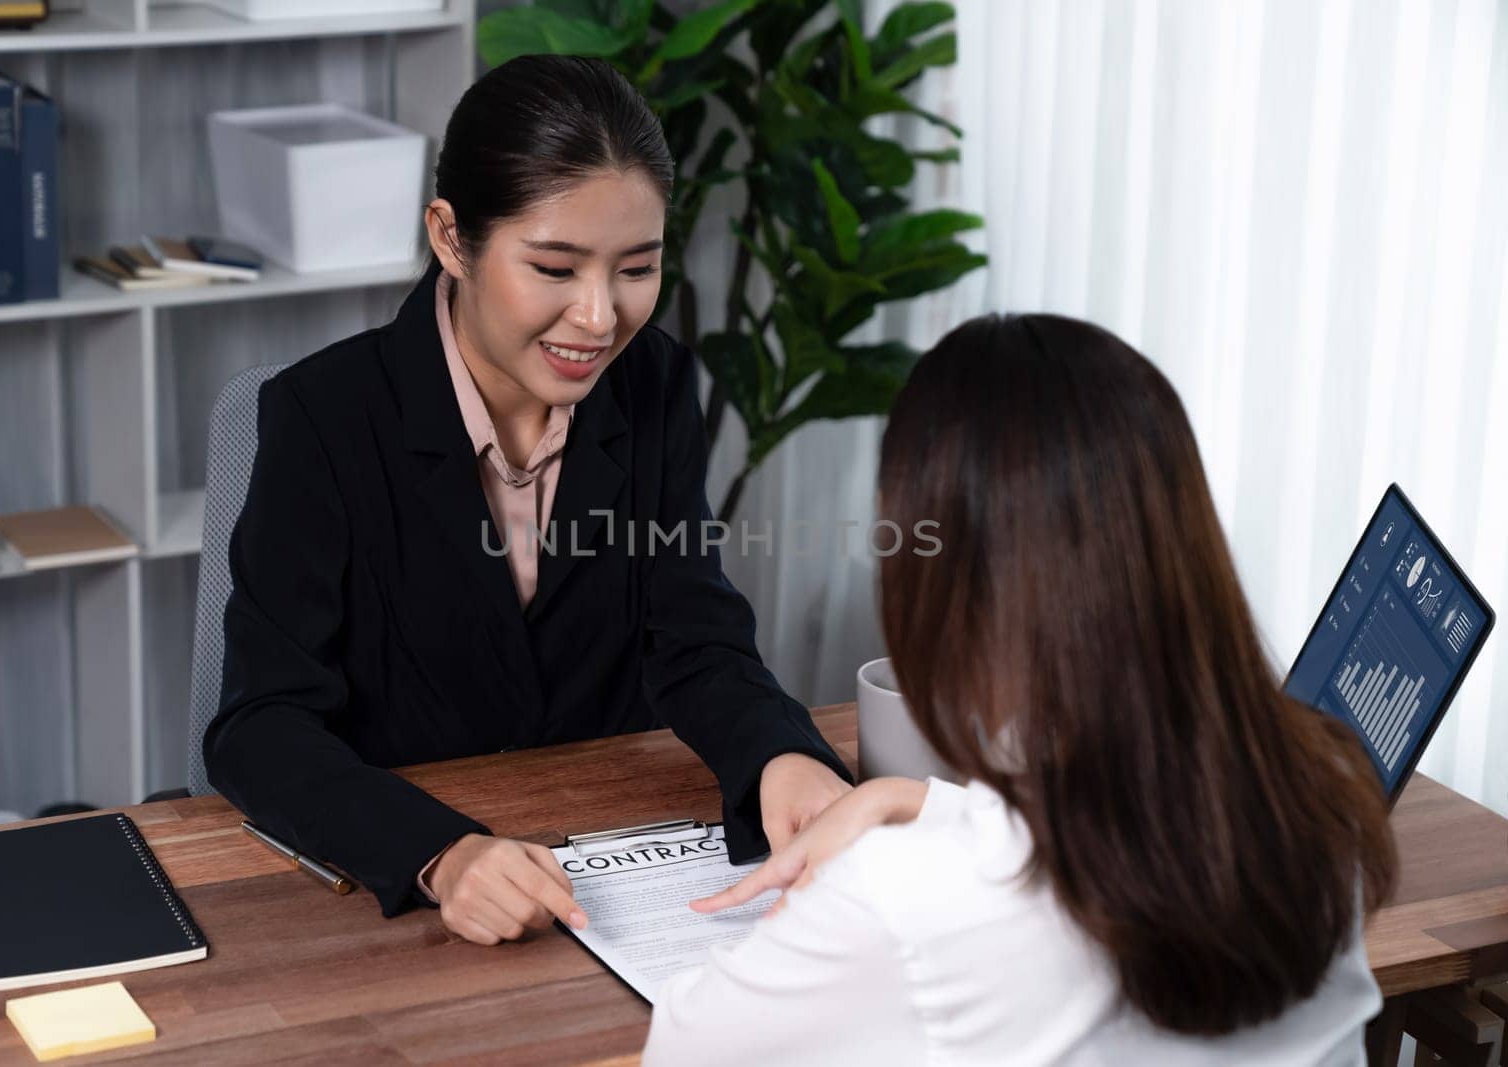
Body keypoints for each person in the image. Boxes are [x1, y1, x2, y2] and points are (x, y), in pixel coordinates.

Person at [204, 54, 851, 942]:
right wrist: (439, 853)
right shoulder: (325, 416)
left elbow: (693, 638)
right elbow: (260, 723)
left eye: (636, 269)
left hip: (615, 865)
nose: (599, 317)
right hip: (403, 892)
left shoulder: (654, 383)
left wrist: (783, 759)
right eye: (554, 267)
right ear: (449, 236)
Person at [645, 314, 1396, 1064]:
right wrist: (914, 799)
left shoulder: (911, 899)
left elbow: (682, 1045)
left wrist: (829, 903)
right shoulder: (1320, 797)